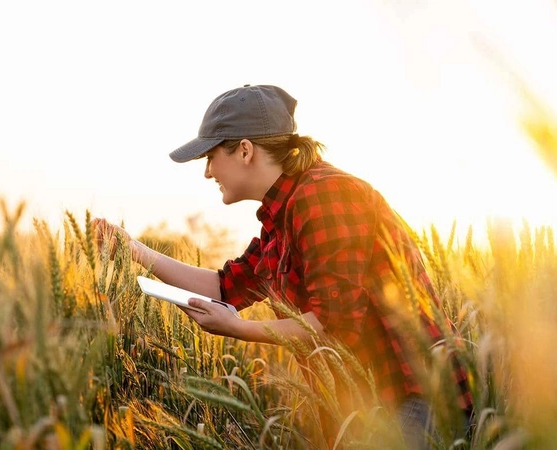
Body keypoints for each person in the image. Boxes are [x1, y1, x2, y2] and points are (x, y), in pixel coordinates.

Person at [92, 84, 473, 449]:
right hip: (374, 403)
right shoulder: (282, 213)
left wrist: (239, 329)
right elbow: (225, 287)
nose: (208, 172)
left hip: (415, 398)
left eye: (210, 157)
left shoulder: (325, 195)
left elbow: (333, 320)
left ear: (244, 151)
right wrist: (134, 250)